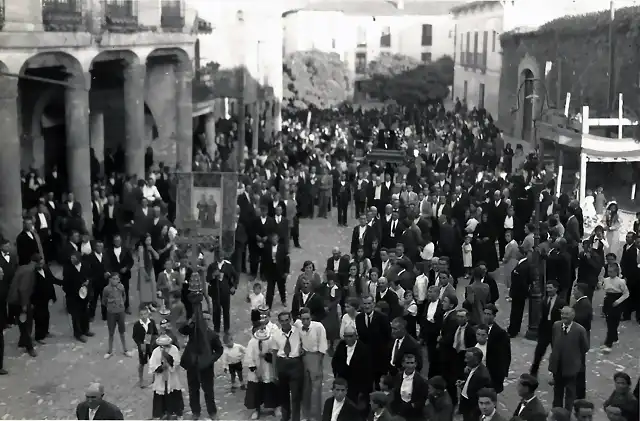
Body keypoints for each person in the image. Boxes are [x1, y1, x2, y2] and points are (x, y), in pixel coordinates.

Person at [179, 308, 224, 420]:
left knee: (208, 390)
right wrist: (191, 322)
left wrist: (211, 359)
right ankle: (195, 412)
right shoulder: (193, 330)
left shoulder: (212, 335)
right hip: (192, 365)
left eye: (208, 319)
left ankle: (212, 412)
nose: (206, 321)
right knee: (193, 389)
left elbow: (219, 350)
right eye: (204, 319)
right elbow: (182, 330)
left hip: (206, 367)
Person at [549, 306, 589, 410]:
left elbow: (584, 347)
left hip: (572, 367)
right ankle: (557, 412)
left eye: (566, 314)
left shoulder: (580, 330)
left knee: (570, 392)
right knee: (557, 391)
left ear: (573, 315)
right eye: (562, 314)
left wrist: (573, 355)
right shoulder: (556, 325)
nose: (564, 316)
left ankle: (567, 413)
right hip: (557, 365)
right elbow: (553, 341)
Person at [296, 306, 328, 421]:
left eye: (307, 319)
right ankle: (306, 414)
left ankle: (317, 416)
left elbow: (323, 345)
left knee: (316, 389)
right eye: (303, 319)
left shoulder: (319, 327)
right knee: (306, 388)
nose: (305, 321)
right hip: (304, 358)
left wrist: (319, 363)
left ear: (311, 318)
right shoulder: (298, 326)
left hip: (316, 357)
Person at [271, 311, 304, 421]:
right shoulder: (276, 335)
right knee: (283, 395)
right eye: (282, 321)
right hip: (282, 364)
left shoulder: (298, 331)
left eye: (287, 320)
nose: (285, 323)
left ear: (290, 320)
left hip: (295, 364)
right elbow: (274, 354)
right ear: (279, 322)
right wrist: (274, 372)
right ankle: (285, 417)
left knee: (295, 395)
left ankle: (295, 418)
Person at [243, 326, 278, 420]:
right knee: (256, 391)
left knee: (270, 389)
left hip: (268, 369)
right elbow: (249, 357)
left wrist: (266, 355)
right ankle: (257, 410)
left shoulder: (271, 340)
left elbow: (275, 355)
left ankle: (274, 408)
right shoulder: (252, 342)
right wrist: (255, 370)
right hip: (256, 371)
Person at [148, 334, 184, 419]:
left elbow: (177, 362)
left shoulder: (174, 349)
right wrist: (160, 367)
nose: (164, 347)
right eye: (162, 346)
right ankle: (161, 414)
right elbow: (152, 365)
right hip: (160, 378)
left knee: (174, 394)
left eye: (166, 346)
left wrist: (169, 363)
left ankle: (176, 413)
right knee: (160, 396)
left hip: (172, 378)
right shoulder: (156, 351)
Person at [101, 273, 133, 359]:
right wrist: (110, 306)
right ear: (110, 279)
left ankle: (125, 350)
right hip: (111, 313)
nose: (115, 280)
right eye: (113, 279)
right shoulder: (106, 289)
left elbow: (124, 296)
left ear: (119, 280)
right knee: (111, 333)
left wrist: (121, 305)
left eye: (117, 279)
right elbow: (103, 301)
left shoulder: (121, 287)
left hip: (120, 312)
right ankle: (110, 351)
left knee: (122, 332)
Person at [600, 263, 629, 354]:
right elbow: (605, 290)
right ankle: (614, 338)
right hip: (608, 300)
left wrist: (618, 301)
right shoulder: (606, 280)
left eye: (612, 271)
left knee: (614, 322)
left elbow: (626, 294)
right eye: (608, 271)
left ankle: (608, 344)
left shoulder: (621, 282)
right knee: (609, 321)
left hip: (617, 301)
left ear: (616, 272)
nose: (610, 273)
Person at [389, 352, 428, 421]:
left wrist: (413, 405)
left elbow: (423, 399)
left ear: (415, 364)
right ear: (403, 364)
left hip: (413, 413)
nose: (410, 366)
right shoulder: (398, 376)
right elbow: (395, 392)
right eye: (407, 363)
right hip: (399, 410)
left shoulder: (421, 381)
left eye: (412, 363)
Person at [132, 305, 159, 388]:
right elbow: (135, 336)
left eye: (145, 314)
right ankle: (141, 380)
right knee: (142, 363)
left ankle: (155, 379)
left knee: (153, 362)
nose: (143, 316)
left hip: (151, 346)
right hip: (143, 347)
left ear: (148, 314)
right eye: (141, 314)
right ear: (139, 315)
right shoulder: (137, 325)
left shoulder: (152, 322)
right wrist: (140, 344)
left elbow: (155, 333)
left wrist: (153, 341)